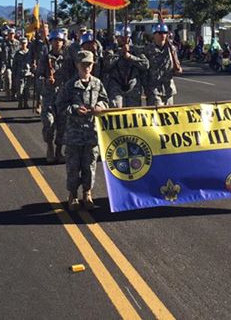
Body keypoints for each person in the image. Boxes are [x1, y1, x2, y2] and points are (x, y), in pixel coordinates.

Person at [55, 50, 108, 211]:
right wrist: (74, 109)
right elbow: (60, 105)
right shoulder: (70, 85)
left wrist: (100, 106)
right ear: (77, 65)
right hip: (74, 133)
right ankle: (72, 195)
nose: (86, 67)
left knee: (90, 166)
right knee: (73, 166)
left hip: (92, 132)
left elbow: (105, 100)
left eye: (89, 64)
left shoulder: (97, 83)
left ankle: (87, 193)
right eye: (83, 64)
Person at [37, 30, 68, 163]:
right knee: (49, 123)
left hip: (62, 96)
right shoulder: (44, 58)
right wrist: (45, 80)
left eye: (59, 41)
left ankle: (59, 150)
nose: (57, 43)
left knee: (62, 125)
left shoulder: (67, 58)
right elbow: (38, 76)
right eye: (54, 40)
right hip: (49, 96)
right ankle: (50, 147)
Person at [103, 27, 149, 108]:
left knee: (133, 111)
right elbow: (107, 65)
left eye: (126, 37)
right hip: (116, 86)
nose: (124, 39)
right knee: (116, 109)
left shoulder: (136, 49)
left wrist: (130, 57)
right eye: (121, 37)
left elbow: (145, 65)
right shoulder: (111, 50)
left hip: (133, 86)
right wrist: (120, 52)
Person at [144, 23, 182, 106]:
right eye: (160, 33)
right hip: (154, 90)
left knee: (169, 113)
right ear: (154, 35)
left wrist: (178, 69)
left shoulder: (171, 49)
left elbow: (177, 66)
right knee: (156, 113)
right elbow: (144, 69)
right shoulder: (148, 50)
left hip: (169, 89)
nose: (163, 35)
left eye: (165, 33)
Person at [12, 38, 32, 109]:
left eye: (25, 43)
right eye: (22, 43)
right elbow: (14, 64)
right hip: (19, 73)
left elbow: (33, 63)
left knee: (27, 90)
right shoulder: (17, 53)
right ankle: (20, 103)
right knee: (20, 90)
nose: (24, 45)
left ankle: (26, 103)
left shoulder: (30, 53)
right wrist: (14, 74)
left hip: (28, 73)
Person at [0, 29, 19, 100]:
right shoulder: (4, 44)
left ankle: (14, 94)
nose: (11, 35)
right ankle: (8, 94)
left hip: (16, 65)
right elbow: (1, 55)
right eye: (10, 34)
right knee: (8, 78)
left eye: (12, 34)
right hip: (7, 65)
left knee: (15, 81)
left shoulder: (18, 43)